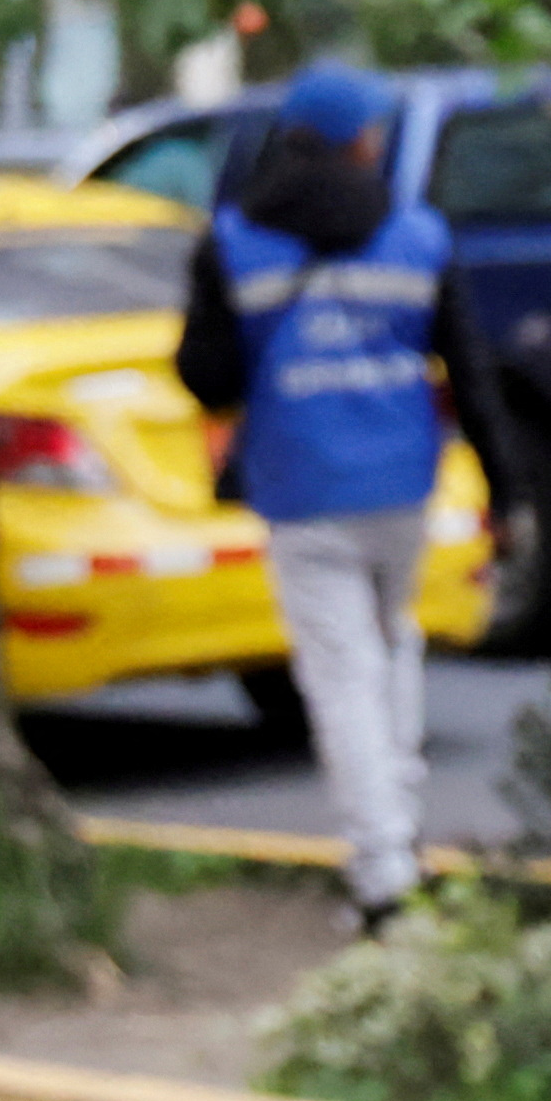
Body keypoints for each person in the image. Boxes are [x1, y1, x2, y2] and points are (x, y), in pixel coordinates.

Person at [177, 64, 467, 930]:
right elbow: (470, 365)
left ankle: (381, 877)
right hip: (403, 483)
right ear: (358, 142)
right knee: (393, 649)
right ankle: (400, 838)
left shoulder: (231, 241)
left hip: (302, 486)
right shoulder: (418, 235)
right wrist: (512, 490)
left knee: (342, 679)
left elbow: (204, 374)